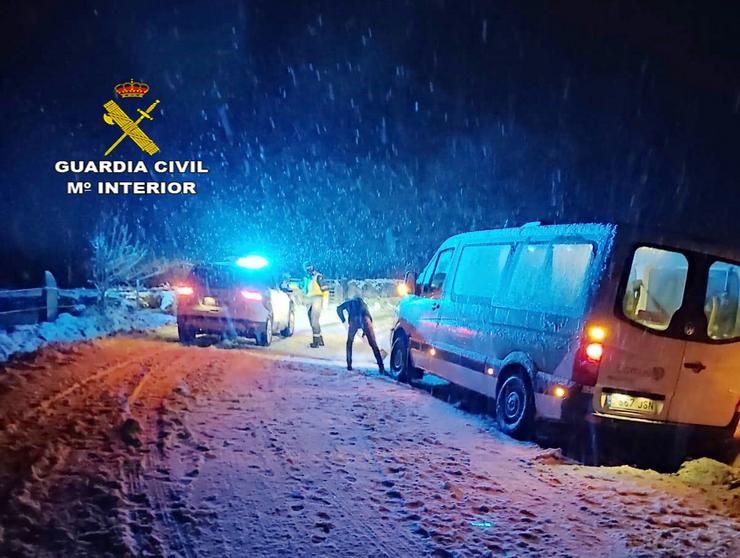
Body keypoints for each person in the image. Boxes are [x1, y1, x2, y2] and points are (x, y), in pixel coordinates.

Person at [337, 296, 385, 373]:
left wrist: (343, 320)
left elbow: (338, 309)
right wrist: (365, 332)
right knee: (373, 344)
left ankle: (349, 365)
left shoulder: (348, 303)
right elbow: (369, 318)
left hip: (354, 320)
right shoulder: (363, 304)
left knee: (349, 342)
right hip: (365, 320)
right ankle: (381, 367)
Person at [303, 262, 329, 348]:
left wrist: (325, 302)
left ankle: (316, 342)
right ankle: (320, 340)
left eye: (308, 268)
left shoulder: (318, 277)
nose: (308, 270)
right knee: (312, 321)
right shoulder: (308, 278)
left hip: (317, 299)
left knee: (314, 321)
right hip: (310, 300)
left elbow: (325, 289)